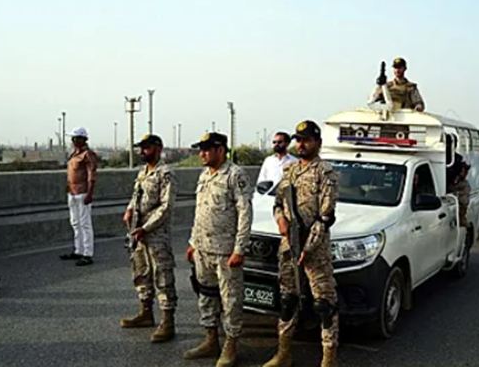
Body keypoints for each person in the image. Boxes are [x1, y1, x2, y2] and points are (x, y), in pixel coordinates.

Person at [263, 120, 339, 367]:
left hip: (315, 250)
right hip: (288, 246)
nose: (301, 144)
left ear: (318, 142)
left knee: (324, 304)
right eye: (298, 140)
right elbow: (278, 202)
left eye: (307, 140)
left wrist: (306, 249)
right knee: (288, 300)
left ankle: (328, 359)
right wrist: (280, 220)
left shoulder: (325, 172)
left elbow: (325, 217)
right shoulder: (290, 171)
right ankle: (284, 353)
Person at [184, 132, 253, 367]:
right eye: (200, 149)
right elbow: (200, 212)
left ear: (220, 150)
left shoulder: (235, 174)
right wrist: (193, 242)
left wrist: (239, 249)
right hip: (203, 249)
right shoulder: (205, 175)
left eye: (207, 149)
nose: (202, 154)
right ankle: (210, 339)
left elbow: (245, 213)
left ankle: (230, 345)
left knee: (230, 299)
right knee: (206, 295)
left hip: (225, 251)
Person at [120, 134, 178, 343]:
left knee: (162, 276)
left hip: (156, 234)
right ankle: (146, 313)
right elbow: (136, 196)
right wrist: (129, 210)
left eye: (147, 148)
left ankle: (167, 322)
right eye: (141, 148)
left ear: (158, 148)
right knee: (141, 272)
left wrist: (146, 227)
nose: (142, 152)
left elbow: (166, 207)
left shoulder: (165, 173)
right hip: (138, 232)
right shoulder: (143, 172)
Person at [59, 127, 98, 266]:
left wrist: (90, 193)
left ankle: (87, 253)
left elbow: (91, 176)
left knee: (85, 224)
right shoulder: (73, 154)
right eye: (73, 138)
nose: (73, 141)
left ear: (83, 139)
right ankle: (78, 250)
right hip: (72, 192)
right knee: (75, 223)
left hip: (82, 192)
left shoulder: (88, 155)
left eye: (76, 138)